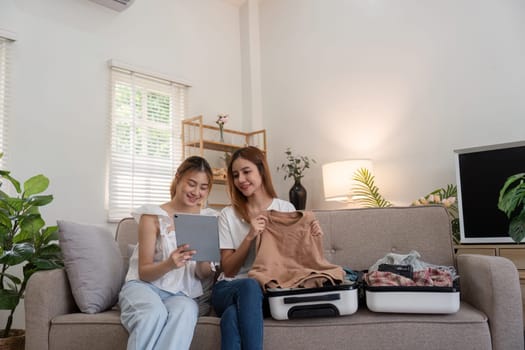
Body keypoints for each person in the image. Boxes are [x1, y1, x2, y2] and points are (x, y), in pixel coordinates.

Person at [119, 155, 217, 350]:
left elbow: (203, 274)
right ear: (178, 177)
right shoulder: (153, 216)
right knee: (153, 313)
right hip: (144, 287)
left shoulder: (208, 219)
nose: (197, 192)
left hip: (180, 294)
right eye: (191, 184)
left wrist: (200, 259)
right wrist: (169, 264)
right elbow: (144, 272)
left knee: (187, 311)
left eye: (203, 187)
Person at [211, 146, 296, 350]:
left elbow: (293, 263)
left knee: (232, 315)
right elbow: (229, 269)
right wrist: (250, 236)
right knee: (249, 285)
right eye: (235, 175)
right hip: (229, 288)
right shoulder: (227, 215)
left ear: (261, 170)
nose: (240, 179)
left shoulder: (286, 210)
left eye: (246, 171)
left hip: (268, 291)